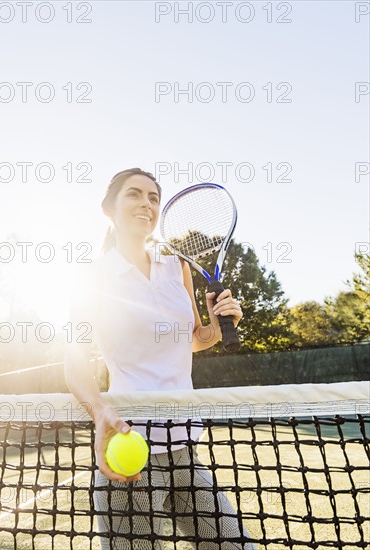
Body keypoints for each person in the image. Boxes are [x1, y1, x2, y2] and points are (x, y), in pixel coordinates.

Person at [64, 168, 255, 549]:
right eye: (134, 195)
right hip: (129, 447)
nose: (146, 204)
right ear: (109, 209)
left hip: (184, 447)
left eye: (153, 198)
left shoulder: (177, 267)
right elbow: (73, 360)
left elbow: (195, 340)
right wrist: (99, 409)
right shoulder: (93, 276)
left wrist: (220, 323)